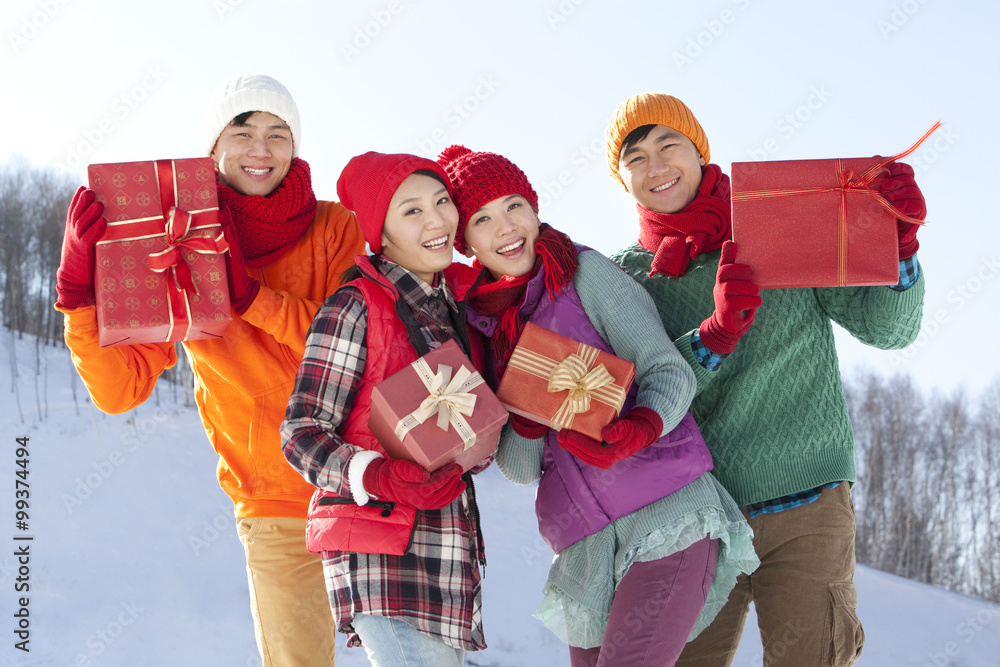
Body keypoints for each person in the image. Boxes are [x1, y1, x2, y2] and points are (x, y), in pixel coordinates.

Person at [604, 92, 927, 667]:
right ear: (621, 178)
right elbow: (638, 405)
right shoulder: (627, 279)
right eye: (634, 158)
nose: (655, 166)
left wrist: (898, 246)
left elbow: (888, 329)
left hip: (807, 504)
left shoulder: (779, 223)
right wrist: (713, 338)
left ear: (699, 152)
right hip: (697, 522)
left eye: (668, 145)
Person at [54, 73, 366, 666]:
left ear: (295, 149)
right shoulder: (172, 239)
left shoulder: (333, 227)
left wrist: (251, 299)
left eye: (279, 133)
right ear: (212, 149)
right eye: (242, 129)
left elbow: (356, 348)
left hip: (360, 482)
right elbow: (121, 391)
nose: (261, 148)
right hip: (273, 504)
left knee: (405, 655)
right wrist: (79, 295)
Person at [438, 144, 758, 667]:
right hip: (587, 548)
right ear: (465, 241)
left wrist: (641, 426)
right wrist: (526, 409)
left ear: (534, 207)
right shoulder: (487, 331)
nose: (505, 227)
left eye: (514, 205)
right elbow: (518, 469)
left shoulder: (585, 274)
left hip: (667, 517)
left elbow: (666, 369)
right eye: (482, 218)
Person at [280, 151, 491, 667]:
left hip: (448, 550)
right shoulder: (354, 305)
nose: (437, 219)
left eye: (441, 202)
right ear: (383, 233)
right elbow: (301, 432)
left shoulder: (454, 312)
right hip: (380, 543)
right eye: (412, 211)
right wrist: (380, 475)